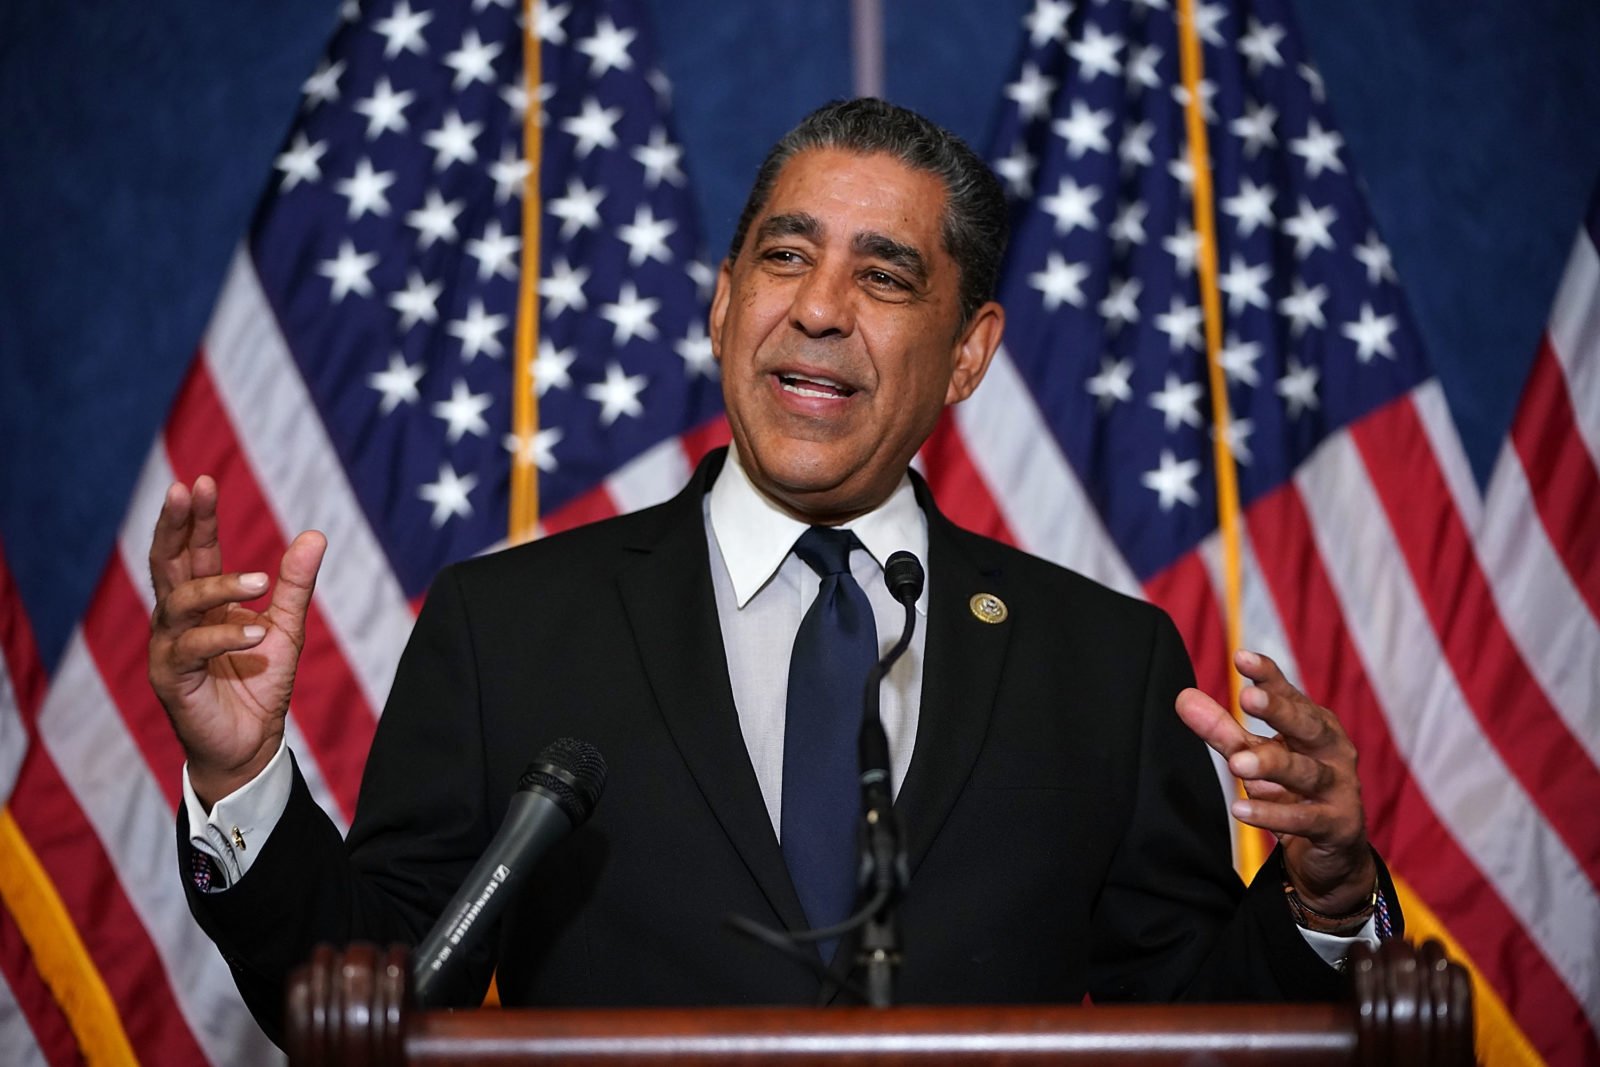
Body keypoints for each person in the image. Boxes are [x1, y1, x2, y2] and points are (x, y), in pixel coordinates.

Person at [149, 99, 1397, 1044]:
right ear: (722, 298)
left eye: (885, 275)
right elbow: (376, 995)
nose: (818, 309)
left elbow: (1191, 1028)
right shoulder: (507, 626)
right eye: (786, 258)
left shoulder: (1105, 664)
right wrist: (241, 770)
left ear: (966, 354)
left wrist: (1326, 896)